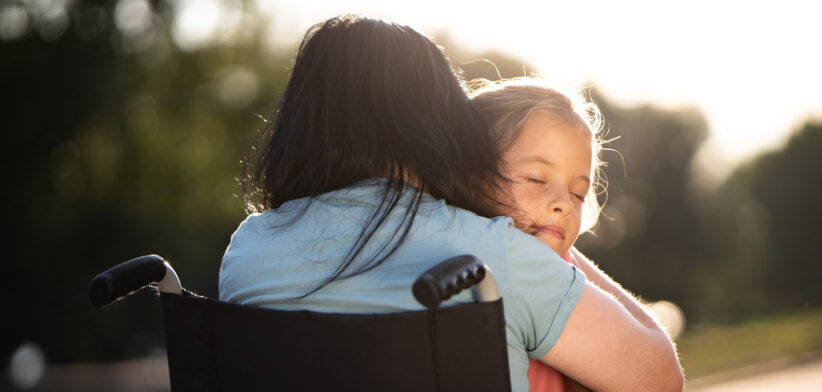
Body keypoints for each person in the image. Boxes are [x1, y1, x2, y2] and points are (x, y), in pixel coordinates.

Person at [219, 14, 683, 392]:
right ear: (429, 118)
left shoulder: (247, 252)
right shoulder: (487, 258)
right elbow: (657, 379)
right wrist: (553, 248)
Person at [471, 78, 682, 391]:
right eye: (536, 179)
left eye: (578, 193)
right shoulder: (489, 262)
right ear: (472, 172)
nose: (564, 205)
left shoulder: (562, 272)